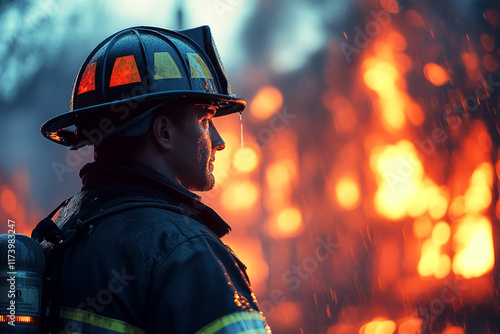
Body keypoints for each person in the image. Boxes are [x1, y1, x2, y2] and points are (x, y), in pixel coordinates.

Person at [34, 26, 271, 333]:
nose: (218, 140)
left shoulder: (57, 233)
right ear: (163, 132)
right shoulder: (184, 251)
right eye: (205, 120)